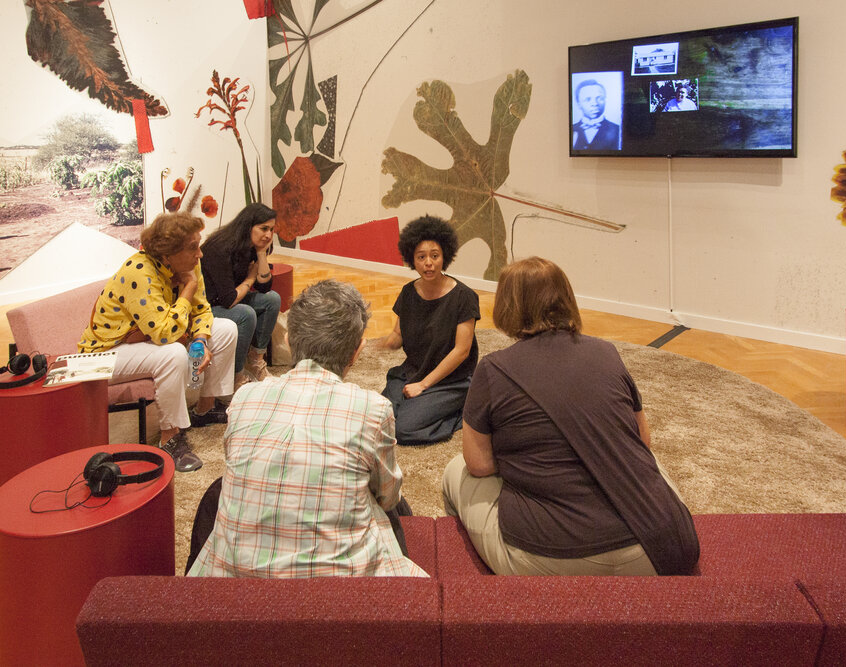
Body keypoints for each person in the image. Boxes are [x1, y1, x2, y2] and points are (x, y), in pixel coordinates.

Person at [442, 257, 700, 576]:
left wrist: (526, 460)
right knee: (647, 462)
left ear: (506, 306)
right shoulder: (606, 352)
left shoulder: (493, 369)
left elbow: (479, 464)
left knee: (456, 470)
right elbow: (642, 439)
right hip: (652, 552)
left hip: (544, 561)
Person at [188, 279, 427, 578]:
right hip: (340, 594)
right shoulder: (372, 408)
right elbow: (388, 497)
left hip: (238, 589)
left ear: (288, 341)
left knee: (217, 491)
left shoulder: (245, 398)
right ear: (357, 351)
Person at [77, 211, 238, 473]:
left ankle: (204, 409)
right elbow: (164, 333)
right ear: (167, 255)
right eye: (193, 248)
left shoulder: (187, 263)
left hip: (142, 341)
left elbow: (202, 310)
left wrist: (199, 340)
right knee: (172, 353)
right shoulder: (139, 271)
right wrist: (187, 290)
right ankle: (170, 438)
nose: (200, 254)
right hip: (104, 354)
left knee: (226, 329)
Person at [374, 215, 480, 445]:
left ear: (445, 257)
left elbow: (462, 352)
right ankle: (422, 401)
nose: (428, 263)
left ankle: (463, 409)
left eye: (434, 256)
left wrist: (424, 385)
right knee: (380, 420)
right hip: (413, 370)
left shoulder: (464, 297)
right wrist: (377, 342)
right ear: (412, 259)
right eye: (421, 257)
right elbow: (398, 336)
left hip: (452, 379)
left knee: (404, 430)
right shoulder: (408, 293)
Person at [200, 203, 282, 388]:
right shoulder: (219, 248)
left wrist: (261, 254)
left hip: (229, 299)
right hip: (207, 307)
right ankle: (236, 376)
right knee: (245, 314)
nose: (268, 235)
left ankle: (255, 361)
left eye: (271, 230)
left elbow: (265, 287)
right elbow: (229, 300)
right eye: (263, 229)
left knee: (272, 299)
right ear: (248, 226)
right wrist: (251, 277)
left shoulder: (252, 245)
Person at [572, 79, 621, 150]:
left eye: (599, 98)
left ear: (605, 100)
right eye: (588, 99)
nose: (595, 103)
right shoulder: (571, 129)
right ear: (578, 103)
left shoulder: (618, 130)